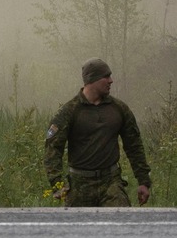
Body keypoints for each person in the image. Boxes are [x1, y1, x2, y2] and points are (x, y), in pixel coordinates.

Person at [45, 58, 152, 207]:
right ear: (92, 80)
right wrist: (57, 184)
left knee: (123, 224)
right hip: (78, 185)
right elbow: (53, 149)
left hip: (111, 183)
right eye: (106, 76)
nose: (111, 81)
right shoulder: (69, 111)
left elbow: (134, 146)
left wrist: (143, 182)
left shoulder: (119, 109)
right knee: (74, 228)